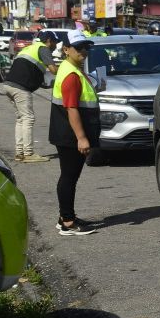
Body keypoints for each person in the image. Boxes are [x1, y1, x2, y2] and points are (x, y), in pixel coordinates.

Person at [49, 30, 100, 235]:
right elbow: (72, 108)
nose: (83, 51)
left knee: (69, 176)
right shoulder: (71, 74)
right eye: (78, 48)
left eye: (85, 47)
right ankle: (68, 223)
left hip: (66, 133)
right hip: (70, 136)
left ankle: (65, 216)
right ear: (66, 49)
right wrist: (81, 137)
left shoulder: (71, 68)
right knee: (69, 177)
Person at [0, 30, 59, 162]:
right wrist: (65, 67)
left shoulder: (30, 48)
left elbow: (31, 70)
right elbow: (54, 70)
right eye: (55, 42)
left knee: (21, 119)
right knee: (28, 118)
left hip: (9, 84)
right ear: (49, 40)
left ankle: (20, 153)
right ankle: (28, 153)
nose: (55, 46)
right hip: (20, 87)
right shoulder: (43, 48)